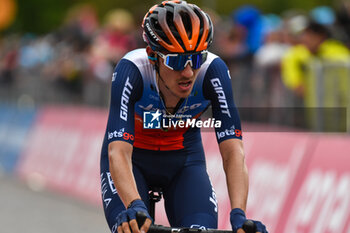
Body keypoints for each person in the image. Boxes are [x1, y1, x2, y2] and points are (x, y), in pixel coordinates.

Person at [100, 1, 268, 233]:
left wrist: (239, 213)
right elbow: (117, 151)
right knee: (132, 227)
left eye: (196, 58)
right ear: (153, 55)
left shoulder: (213, 71)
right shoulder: (132, 69)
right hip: (132, 161)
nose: (188, 72)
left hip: (184, 163)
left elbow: (233, 149)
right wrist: (134, 204)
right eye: (176, 61)